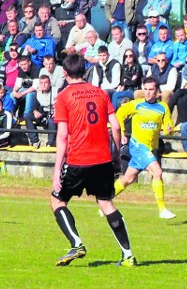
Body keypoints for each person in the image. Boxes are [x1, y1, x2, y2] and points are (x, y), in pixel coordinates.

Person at [50, 53, 136, 267]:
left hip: (78, 159)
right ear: (86, 71)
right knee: (106, 203)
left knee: (57, 201)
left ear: (65, 73)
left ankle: (77, 243)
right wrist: (116, 154)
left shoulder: (63, 97)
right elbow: (115, 126)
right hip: (103, 159)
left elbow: (62, 136)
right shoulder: (100, 93)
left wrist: (56, 172)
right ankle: (128, 255)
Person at [114, 77, 176, 220]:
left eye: (151, 90)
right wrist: (122, 132)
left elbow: (168, 128)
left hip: (149, 148)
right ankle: (162, 209)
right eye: (146, 89)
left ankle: (105, 202)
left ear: (157, 91)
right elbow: (119, 114)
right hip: (137, 146)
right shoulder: (136, 105)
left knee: (127, 179)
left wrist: (169, 130)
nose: (147, 93)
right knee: (157, 172)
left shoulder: (163, 107)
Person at [25, 75, 56, 148]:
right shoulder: (38, 94)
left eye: (46, 82)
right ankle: (34, 140)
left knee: (52, 121)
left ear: (49, 83)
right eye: (42, 83)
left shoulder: (56, 91)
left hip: (54, 115)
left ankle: (50, 143)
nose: (44, 84)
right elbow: (34, 107)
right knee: (27, 116)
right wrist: (35, 111)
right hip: (43, 115)